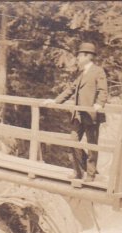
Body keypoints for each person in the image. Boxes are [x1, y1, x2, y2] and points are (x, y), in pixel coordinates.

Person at [43, 42, 109, 182]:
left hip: (91, 115)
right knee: (73, 142)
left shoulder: (98, 71)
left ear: (87, 56)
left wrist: (99, 104)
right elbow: (71, 90)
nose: (77, 58)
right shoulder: (81, 74)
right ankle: (79, 172)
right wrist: (55, 101)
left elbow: (103, 90)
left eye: (79, 55)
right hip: (78, 115)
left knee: (92, 145)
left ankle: (91, 175)